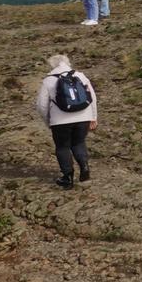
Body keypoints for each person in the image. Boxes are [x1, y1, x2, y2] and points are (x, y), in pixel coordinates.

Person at [34, 54, 97, 189]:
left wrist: (48, 121)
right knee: (79, 143)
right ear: (67, 63)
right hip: (83, 117)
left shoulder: (48, 80)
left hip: (60, 121)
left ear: (52, 65)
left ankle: (67, 178)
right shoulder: (81, 75)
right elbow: (92, 97)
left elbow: (41, 105)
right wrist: (93, 117)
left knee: (62, 147)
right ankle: (85, 169)